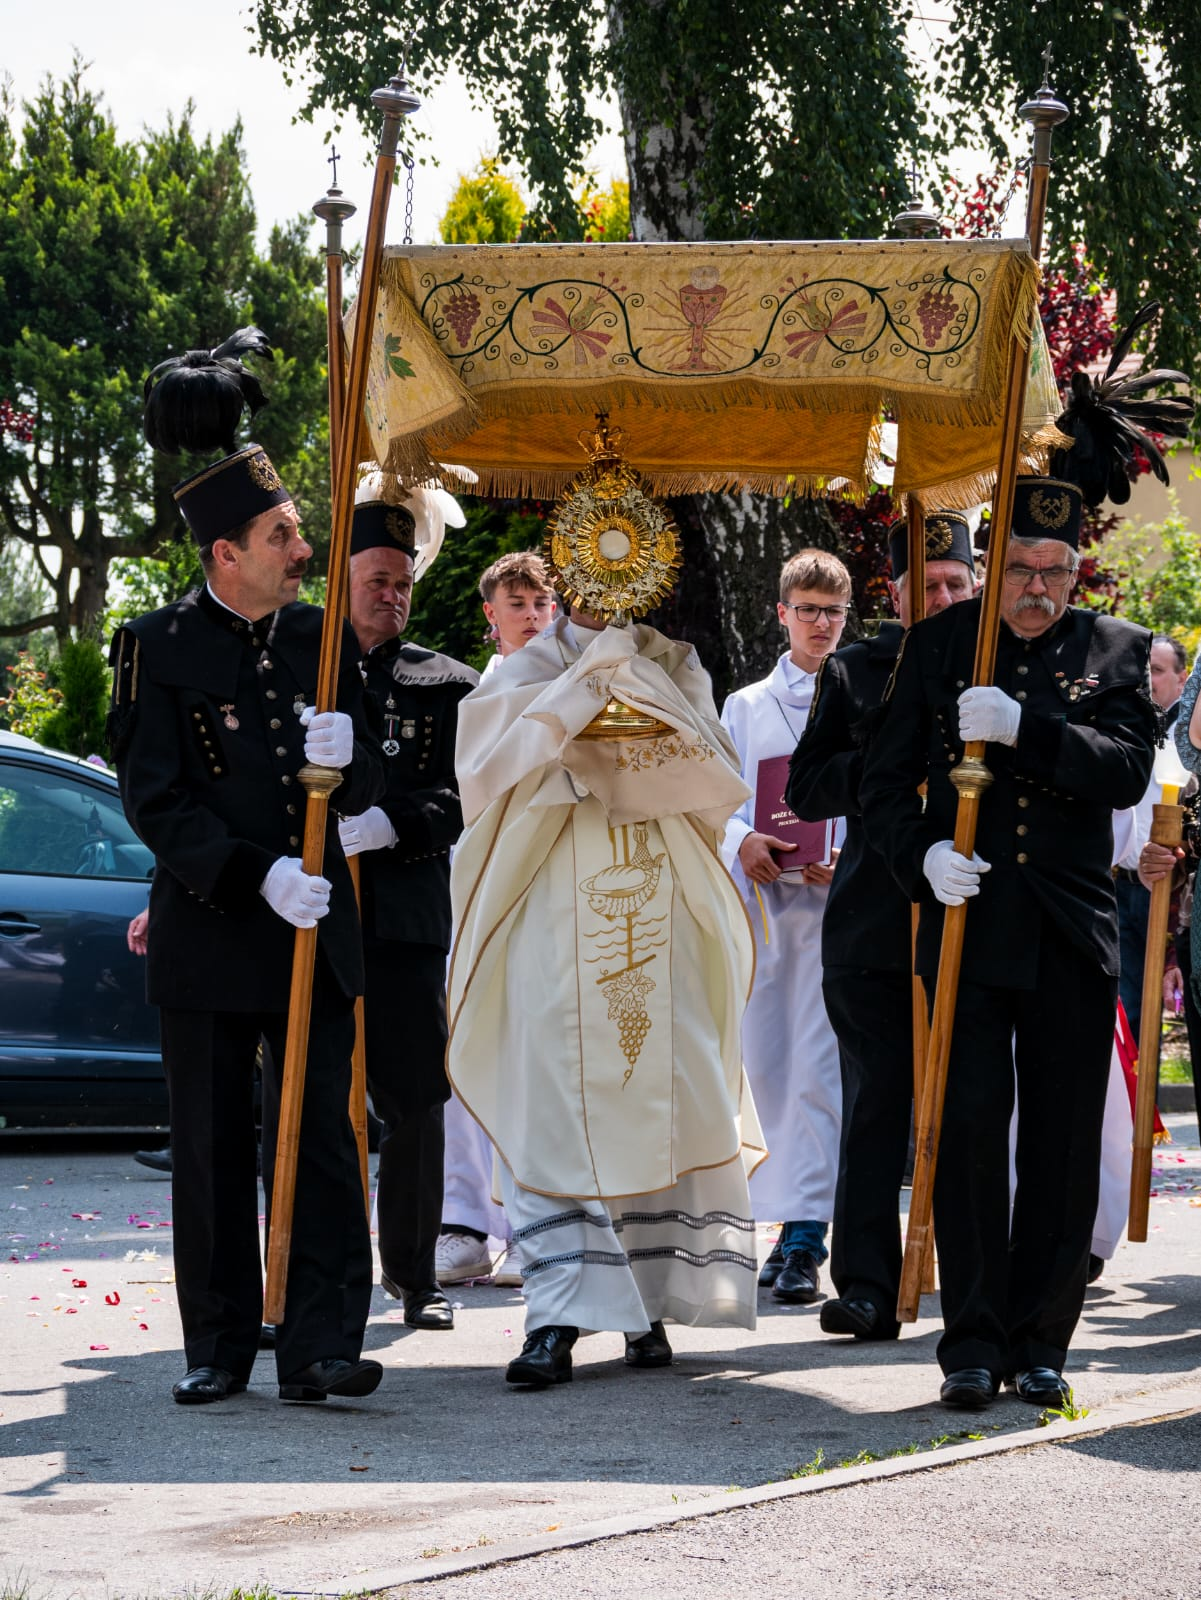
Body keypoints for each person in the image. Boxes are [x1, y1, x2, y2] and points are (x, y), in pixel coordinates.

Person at [111, 334, 386, 1406]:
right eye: (282, 536)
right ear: (226, 553)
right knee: (215, 1143)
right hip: (214, 926)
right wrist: (254, 873)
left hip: (316, 929)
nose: (302, 548)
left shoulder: (324, 638)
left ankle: (320, 1345)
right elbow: (154, 798)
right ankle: (219, 1344)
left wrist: (352, 782)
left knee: (322, 1140)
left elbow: (369, 780)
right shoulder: (155, 645)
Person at [859, 476, 1157, 1411]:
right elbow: (881, 782)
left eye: (1053, 572)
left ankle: (1041, 1342)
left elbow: (1124, 771)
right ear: (991, 568)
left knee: (1062, 1145)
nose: (1035, 588)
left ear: (1076, 571)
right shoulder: (940, 644)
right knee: (968, 1135)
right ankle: (972, 1343)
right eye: (1019, 569)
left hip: (1067, 929)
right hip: (968, 924)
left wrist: (1024, 729)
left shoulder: (1116, 649)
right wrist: (921, 857)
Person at [448, 604, 765, 1386]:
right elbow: (482, 776)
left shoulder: (675, 663)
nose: (608, 587)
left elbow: (715, 780)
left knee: (666, 1097)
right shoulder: (526, 668)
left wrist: (638, 710)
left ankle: (646, 1303)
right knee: (551, 1100)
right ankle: (555, 1312)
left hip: (661, 913)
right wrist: (574, 712)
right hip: (550, 909)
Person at [787, 511, 977, 1340]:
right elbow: (805, 789)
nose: (941, 598)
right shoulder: (855, 668)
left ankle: (972, 1283)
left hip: (973, 920)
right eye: (924, 586)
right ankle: (865, 1282)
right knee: (873, 1106)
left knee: (968, 1105)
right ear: (894, 594)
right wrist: (883, 754)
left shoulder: (1002, 671)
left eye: (954, 584)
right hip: (874, 921)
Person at [336, 493, 478, 1330]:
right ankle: (314, 1276)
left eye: (402, 583)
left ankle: (415, 1276)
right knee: (310, 1103)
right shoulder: (298, 662)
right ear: (343, 579)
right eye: (376, 581)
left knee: (416, 1100)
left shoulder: (448, 683)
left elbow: (468, 791)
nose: (391, 595)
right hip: (316, 915)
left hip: (405, 918)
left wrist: (394, 823)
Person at [718, 549, 850, 1305]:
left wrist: (847, 853)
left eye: (832, 612)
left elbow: (879, 794)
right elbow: (717, 802)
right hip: (764, 916)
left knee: (819, 1075)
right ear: (781, 614)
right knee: (762, 1069)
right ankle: (766, 1225)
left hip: (835, 915)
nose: (819, 625)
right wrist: (743, 841)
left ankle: (806, 1235)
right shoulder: (745, 706)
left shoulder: (862, 697)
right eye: (807, 610)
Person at [436, 550, 558, 1288]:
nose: (533, 615)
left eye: (542, 602)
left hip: (552, 883)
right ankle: (464, 1223)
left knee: (541, 1056)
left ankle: (531, 1225)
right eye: (518, 603)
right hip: (480, 884)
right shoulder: (472, 692)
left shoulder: (579, 683)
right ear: (492, 613)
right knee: (468, 1051)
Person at [1112, 635, 1189, 1036]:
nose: (1147, 680)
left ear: (1182, 678)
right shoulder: (1124, 726)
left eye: (1157, 671)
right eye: (1142, 671)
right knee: (1123, 1008)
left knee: (1162, 1004)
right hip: (1117, 884)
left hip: (1168, 887)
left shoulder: (1191, 738)